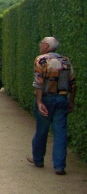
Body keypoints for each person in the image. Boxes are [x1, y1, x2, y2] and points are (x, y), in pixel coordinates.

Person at [27, 37, 76, 175]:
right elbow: (73, 84)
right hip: (62, 99)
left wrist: (39, 101)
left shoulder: (41, 60)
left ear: (47, 46)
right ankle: (59, 166)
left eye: (41, 43)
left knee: (42, 130)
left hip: (46, 99)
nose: (40, 45)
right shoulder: (66, 60)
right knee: (60, 133)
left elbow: (39, 83)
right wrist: (71, 102)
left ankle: (38, 159)